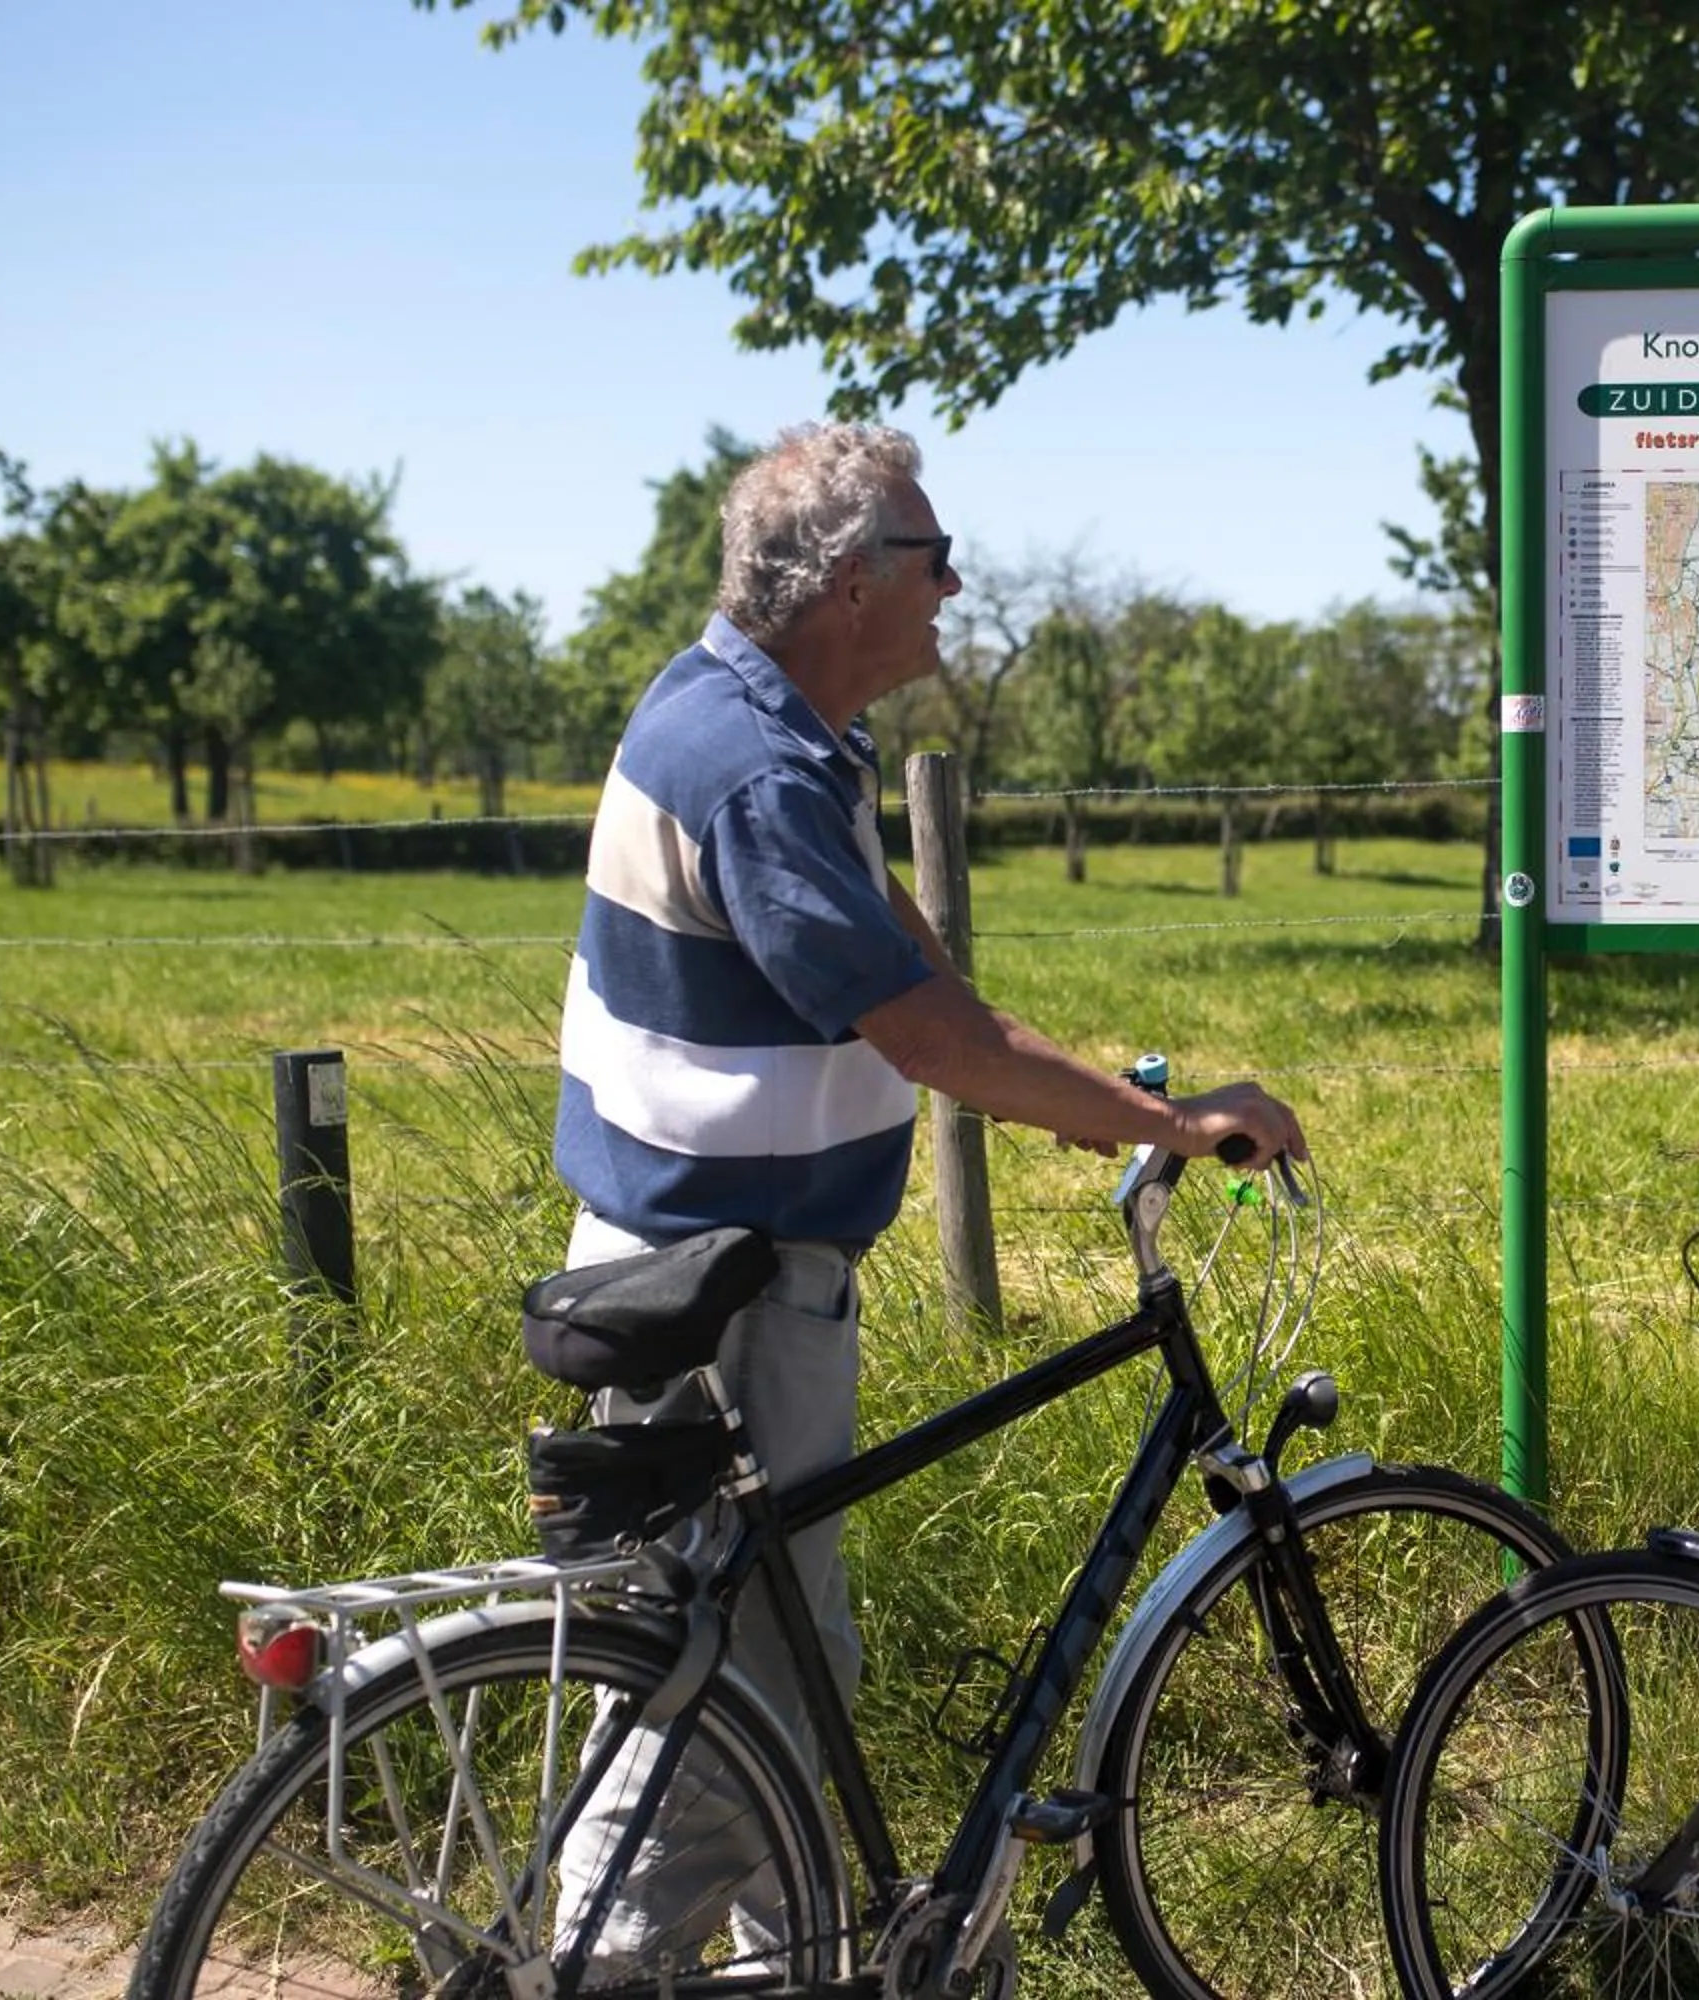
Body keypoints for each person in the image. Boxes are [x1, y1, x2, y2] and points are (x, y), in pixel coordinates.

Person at [550, 419, 1305, 1973]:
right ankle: (599, 1973)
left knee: (781, 1666)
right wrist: (1168, 1119)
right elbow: (927, 1033)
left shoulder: (750, 716)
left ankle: (813, 1962)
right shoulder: (757, 769)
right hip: (719, 1291)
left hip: (705, 1265)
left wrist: (1066, 1098)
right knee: (726, 1690)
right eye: (933, 557)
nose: (955, 585)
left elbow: (905, 957)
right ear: (849, 583)